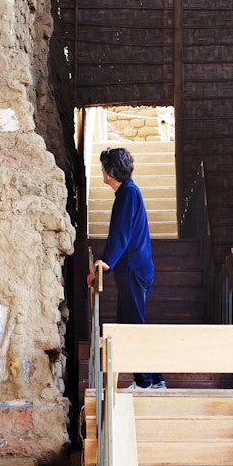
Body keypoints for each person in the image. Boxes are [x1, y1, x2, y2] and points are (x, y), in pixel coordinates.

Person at [93, 148, 162, 389]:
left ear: (110, 172)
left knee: (133, 327)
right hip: (133, 270)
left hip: (133, 270)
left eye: (103, 167)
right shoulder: (127, 193)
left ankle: (148, 383)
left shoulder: (128, 194)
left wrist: (107, 262)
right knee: (127, 326)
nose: (101, 171)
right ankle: (151, 380)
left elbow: (121, 234)